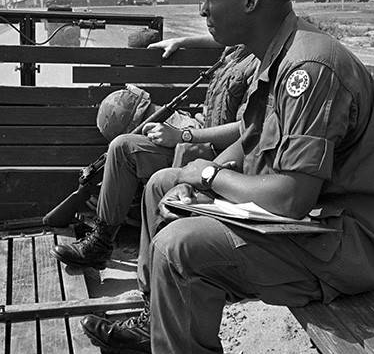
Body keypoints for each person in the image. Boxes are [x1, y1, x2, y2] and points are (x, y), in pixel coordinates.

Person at [80, 0, 374, 354]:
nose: (202, 10)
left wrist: (209, 174)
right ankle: (156, 321)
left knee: (180, 249)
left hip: (342, 244)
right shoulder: (275, 56)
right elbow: (251, 140)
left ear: (251, 0)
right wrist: (193, 180)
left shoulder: (309, 70)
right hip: (307, 227)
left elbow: (289, 198)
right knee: (162, 187)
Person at [50, 35, 258, 268]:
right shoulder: (239, 45)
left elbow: (248, 130)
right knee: (121, 146)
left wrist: (183, 135)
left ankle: (142, 265)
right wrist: (182, 41)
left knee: (131, 155)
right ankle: (100, 243)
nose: (206, 13)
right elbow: (224, 36)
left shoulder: (260, 61)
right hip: (197, 136)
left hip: (214, 155)